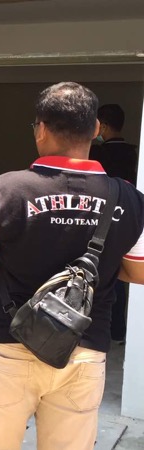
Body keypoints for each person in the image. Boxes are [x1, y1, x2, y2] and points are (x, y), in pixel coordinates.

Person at [0, 82, 144, 450]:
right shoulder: (131, 199)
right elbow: (138, 271)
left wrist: (10, 260)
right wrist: (99, 269)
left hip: (12, 344)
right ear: (95, 129)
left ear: (40, 129)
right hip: (86, 351)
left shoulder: (4, 190)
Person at [90, 104, 138, 342]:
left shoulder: (98, 154)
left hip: (100, 219)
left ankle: (99, 326)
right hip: (127, 217)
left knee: (101, 273)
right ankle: (119, 329)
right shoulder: (133, 153)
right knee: (120, 273)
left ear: (104, 126)